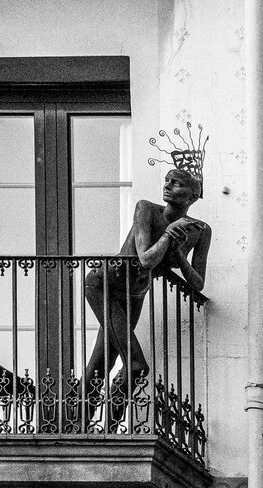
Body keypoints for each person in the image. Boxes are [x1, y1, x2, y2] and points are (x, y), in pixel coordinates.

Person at [83, 168, 211, 431]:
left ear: (192, 196)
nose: (168, 185)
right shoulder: (147, 209)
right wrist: (168, 235)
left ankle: (80, 423)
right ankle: (105, 427)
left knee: (101, 361)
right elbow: (145, 259)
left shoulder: (200, 231)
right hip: (103, 285)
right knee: (136, 365)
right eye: (167, 181)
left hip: (135, 294)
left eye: (176, 183)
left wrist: (180, 255)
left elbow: (198, 283)